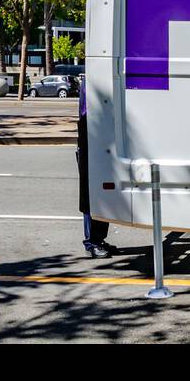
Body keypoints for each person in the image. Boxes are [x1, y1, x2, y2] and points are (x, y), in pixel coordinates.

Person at [77, 78, 117, 258]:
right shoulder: (92, 80)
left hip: (99, 138)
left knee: (102, 192)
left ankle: (98, 239)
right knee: (91, 195)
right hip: (90, 139)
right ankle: (92, 241)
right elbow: (87, 114)